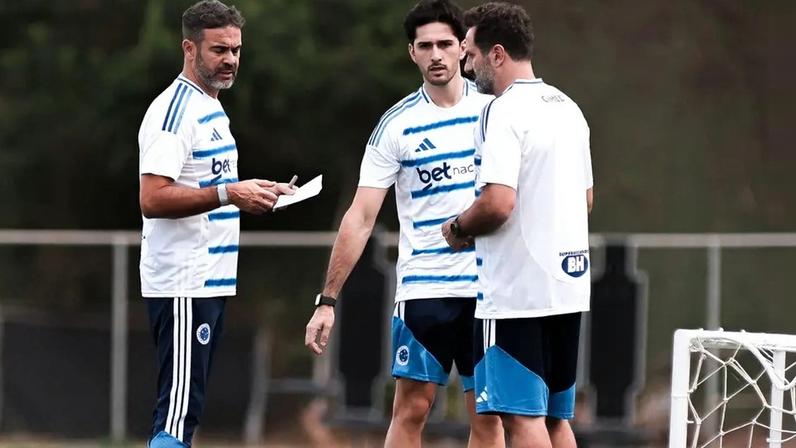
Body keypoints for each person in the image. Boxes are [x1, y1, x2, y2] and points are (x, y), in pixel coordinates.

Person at [304, 1, 504, 446]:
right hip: (424, 291)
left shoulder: (497, 112)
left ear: (462, 48)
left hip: (488, 289)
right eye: (425, 45)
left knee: (488, 416)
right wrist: (327, 300)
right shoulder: (396, 126)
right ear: (411, 52)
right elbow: (360, 217)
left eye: (445, 44)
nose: (436, 54)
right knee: (411, 409)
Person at [137, 1, 293, 447]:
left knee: (188, 406)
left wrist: (257, 189)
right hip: (185, 282)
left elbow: (215, 186)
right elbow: (153, 198)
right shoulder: (175, 112)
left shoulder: (212, 108)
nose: (230, 60)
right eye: (219, 50)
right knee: (177, 412)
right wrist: (229, 193)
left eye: (237, 50)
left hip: (211, 281)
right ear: (190, 48)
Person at [441, 3, 594, 447]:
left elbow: (498, 203)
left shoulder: (501, 110)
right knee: (553, 420)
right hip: (568, 287)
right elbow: (586, 199)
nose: (466, 67)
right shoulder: (568, 106)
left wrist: (458, 227)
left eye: (469, 55)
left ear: (497, 54)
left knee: (520, 419)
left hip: (516, 294)